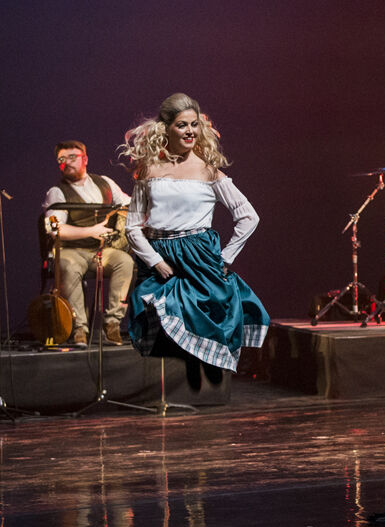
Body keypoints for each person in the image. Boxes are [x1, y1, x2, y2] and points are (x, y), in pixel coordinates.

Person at [119, 93, 269, 385]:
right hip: (160, 255)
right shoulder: (149, 171)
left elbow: (249, 216)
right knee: (155, 315)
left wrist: (226, 257)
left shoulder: (208, 171)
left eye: (194, 124)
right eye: (181, 125)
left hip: (197, 254)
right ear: (166, 129)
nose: (189, 131)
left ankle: (204, 380)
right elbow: (132, 227)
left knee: (208, 317)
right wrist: (156, 261)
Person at [43, 140, 134, 345]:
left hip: (100, 251)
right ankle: (79, 328)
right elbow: (54, 228)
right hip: (71, 250)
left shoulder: (104, 182)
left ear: (85, 158)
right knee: (67, 265)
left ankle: (112, 323)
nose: (67, 162)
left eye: (72, 157)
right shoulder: (56, 192)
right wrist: (91, 231)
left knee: (125, 261)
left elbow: (127, 202)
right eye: (61, 159)